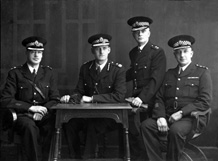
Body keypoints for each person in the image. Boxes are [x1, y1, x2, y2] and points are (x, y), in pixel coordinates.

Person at [141, 35, 213, 161]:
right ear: (174, 55)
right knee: (146, 126)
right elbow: (159, 98)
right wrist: (161, 117)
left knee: (175, 130)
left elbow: (205, 101)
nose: (182, 55)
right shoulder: (169, 74)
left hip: (191, 118)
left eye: (185, 51)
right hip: (168, 115)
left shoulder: (202, 73)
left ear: (191, 53)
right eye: (178, 52)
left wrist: (181, 113)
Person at [60, 33, 126, 159]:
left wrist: (92, 99)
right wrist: (71, 97)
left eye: (104, 48)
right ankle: (76, 157)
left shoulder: (117, 70)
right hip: (87, 114)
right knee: (69, 124)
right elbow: (78, 90)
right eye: (97, 48)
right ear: (92, 51)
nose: (101, 51)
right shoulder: (85, 68)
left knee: (92, 126)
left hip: (109, 116)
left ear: (109, 50)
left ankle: (87, 158)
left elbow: (119, 96)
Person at [0, 36, 60, 161]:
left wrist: (43, 110)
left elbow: (55, 98)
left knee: (52, 126)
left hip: (44, 114)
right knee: (30, 128)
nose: (36, 55)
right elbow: (6, 99)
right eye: (33, 52)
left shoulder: (48, 73)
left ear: (42, 54)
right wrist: (31, 108)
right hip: (23, 115)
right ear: (27, 52)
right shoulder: (15, 73)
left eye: (39, 52)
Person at [126, 16, 167, 159]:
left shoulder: (157, 52)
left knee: (140, 127)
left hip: (152, 99)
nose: (140, 34)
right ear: (133, 34)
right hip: (136, 98)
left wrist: (140, 98)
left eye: (143, 31)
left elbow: (156, 80)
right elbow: (133, 73)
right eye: (137, 32)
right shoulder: (133, 53)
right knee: (129, 126)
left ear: (149, 32)